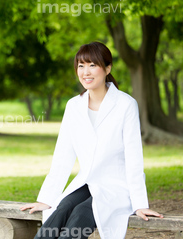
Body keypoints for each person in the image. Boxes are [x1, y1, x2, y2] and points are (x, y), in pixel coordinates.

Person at [20, 42, 163, 239]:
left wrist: (140, 204)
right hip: (87, 183)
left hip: (116, 187)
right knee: (62, 209)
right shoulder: (74, 106)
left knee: (79, 215)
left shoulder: (126, 105)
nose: (86, 72)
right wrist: (46, 198)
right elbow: (63, 156)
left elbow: (134, 158)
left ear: (107, 68)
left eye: (92, 65)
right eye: (81, 65)